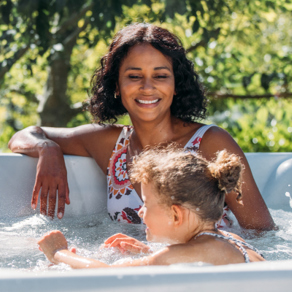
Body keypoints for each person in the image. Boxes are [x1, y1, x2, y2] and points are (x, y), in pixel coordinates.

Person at [8, 23, 275, 230]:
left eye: (160, 76)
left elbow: (261, 232)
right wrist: (48, 150)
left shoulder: (211, 142)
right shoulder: (109, 145)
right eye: (134, 76)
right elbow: (26, 134)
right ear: (116, 85)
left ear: (176, 84)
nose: (147, 87)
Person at [37, 148, 265, 268]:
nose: (140, 211)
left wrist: (59, 253)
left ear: (176, 214)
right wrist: (151, 253)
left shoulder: (199, 251)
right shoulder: (230, 238)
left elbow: (107, 277)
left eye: (145, 204)